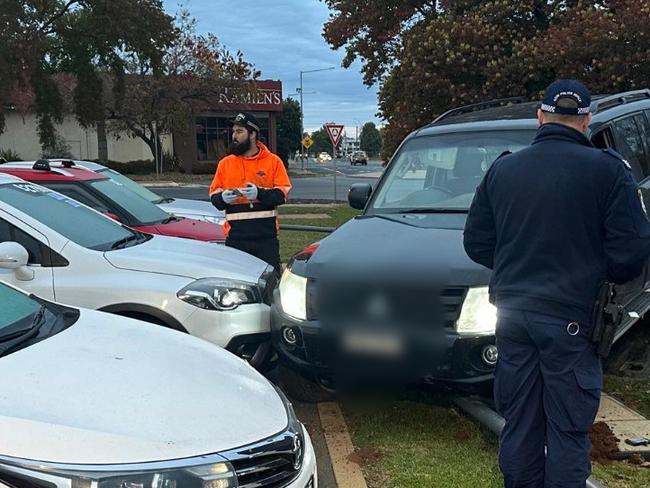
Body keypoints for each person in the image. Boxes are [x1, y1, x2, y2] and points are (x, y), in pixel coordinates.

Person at [464, 80, 650, 488]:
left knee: (521, 424)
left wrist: (517, 266)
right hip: (572, 319)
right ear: (585, 120)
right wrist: (595, 271)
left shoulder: (504, 167)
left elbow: (475, 242)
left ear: (540, 117)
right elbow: (634, 250)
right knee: (566, 430)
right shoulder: (608, 169)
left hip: (513, 316)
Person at [209, 112, 291, 275]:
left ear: (253, 134)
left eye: (239, 132)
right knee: (237, 286)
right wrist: (222, 198)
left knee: (270, 284)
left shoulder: (273, 161)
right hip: (236, 239)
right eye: (234, 131)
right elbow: (214, 197)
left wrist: (259, 193)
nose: (234, 136)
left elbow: (281, 195)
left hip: (265, 240)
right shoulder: (225, 164)